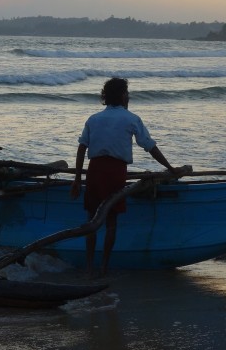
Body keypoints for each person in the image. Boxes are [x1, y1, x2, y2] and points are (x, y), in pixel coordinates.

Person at [71, 77, 178, 278]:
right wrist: (170, 168)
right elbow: (150, 146)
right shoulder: (131, 118)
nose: (128, 97)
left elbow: (81, 148)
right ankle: (103, 267)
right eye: (127, 93)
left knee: (91, 221)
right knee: (111, 222)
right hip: (115, 173)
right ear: (122, 96)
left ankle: (89, 267)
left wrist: (77, 179)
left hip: (94, 171)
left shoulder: (94, 119)